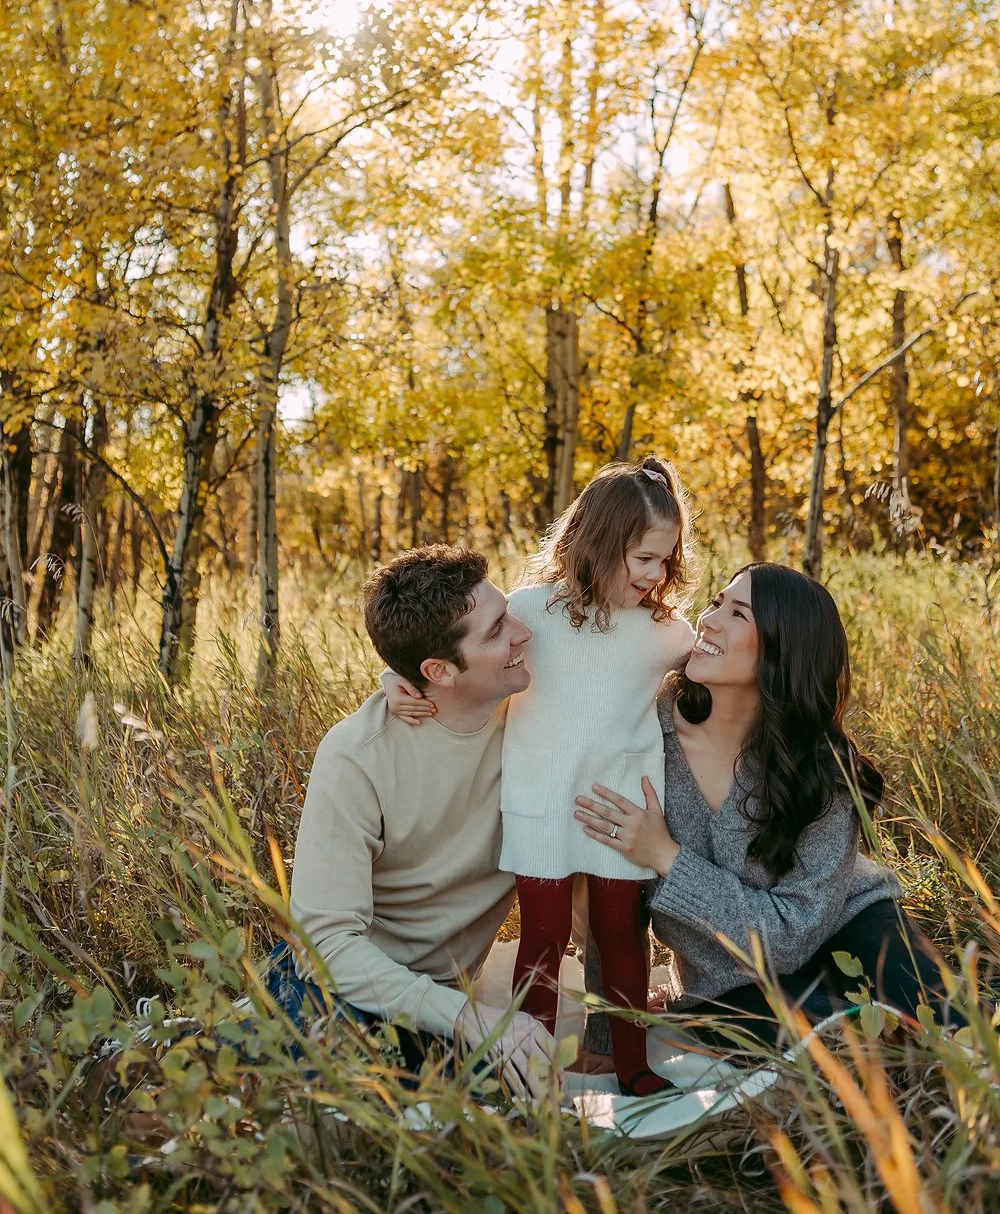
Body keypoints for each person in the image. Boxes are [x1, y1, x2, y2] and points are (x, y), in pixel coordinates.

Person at [386, 458, 696, 1095]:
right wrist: (396, 680)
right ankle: (531, 1070)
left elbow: (719, 675)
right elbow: (449, 652)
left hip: (621, 806)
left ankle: (633, 1064)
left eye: (665, 561)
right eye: (641, 558)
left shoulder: (667, 633)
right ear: (597, 543)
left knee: (618, 937)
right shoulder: (530, 612)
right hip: (542, 801)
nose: (654, 575)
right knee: (544, 939)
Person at [574, 563, 962, 1047]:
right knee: (824, 1040)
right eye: (716, 602)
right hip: (731, 981)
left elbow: (793, 933)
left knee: (954, 1024)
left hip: (849, 926)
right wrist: (606, 1040)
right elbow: (610, 909)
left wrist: (665, 856)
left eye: (738, 614)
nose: (709, 620)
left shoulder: (818, 765)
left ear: (783, 650)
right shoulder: (643, 735)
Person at [281, 544, 559, 1096]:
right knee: (330, 1117)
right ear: (437, 670)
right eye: (498, 629)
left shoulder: (538, 716)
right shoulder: (358, 755)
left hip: (445, 1000)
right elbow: (325, 946)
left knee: (512, 1114)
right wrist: (469, 1017)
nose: (525, 633)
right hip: (348, 991)